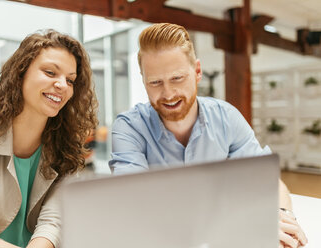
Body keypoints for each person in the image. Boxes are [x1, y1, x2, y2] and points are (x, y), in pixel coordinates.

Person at [109, 23, 307, 248]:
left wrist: (281, 216)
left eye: (177, 78)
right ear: (144, 81)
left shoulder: (226, 118)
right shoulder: (129, 128)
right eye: (155, 82)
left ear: (198, 71)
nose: (168, 94)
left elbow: (268, 180)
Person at [0, 30, 97, 248]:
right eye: (50, 72)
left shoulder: (67, 148)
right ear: (20, 73)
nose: (62, 85)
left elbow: (52, 223)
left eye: (70, 80)